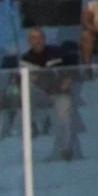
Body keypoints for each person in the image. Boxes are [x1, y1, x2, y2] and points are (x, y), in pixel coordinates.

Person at [20, 28, 75, 161]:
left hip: (60, 93)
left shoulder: (58, 53)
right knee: (27, 87)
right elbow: (23, 80)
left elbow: (73, 69)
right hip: (42, 94)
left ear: (44, 39)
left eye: (39, 37)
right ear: (29, 41)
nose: (37, 41)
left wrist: (69, 79)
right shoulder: (25, 59)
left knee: (65, 115)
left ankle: (66, 149)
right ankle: (31, 123)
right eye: (33, 38)